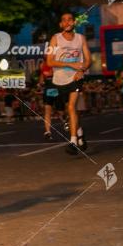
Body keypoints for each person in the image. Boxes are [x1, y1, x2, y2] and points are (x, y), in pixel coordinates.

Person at [46, 12, 91, 155]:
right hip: (60, 79)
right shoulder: (55, 39)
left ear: (73, 23)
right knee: (69, 110)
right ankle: (80, 132)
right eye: (64, 20)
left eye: (70, 19)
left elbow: (88, 60)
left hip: (76, 78)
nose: (67, 22)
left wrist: (82, 69)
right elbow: (50, 61)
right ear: (61, 24)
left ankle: (73, 142)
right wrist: (70, 65)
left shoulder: (81, 38)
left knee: (71, 106)